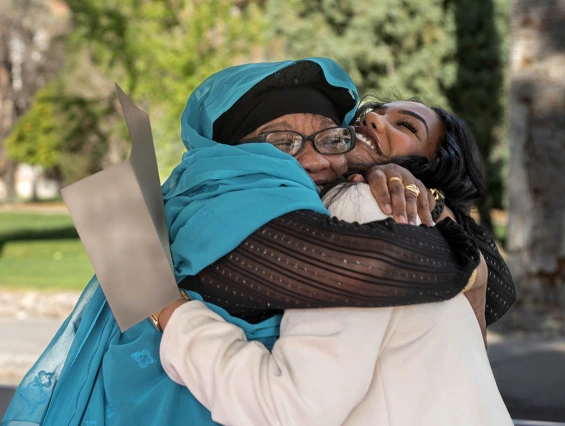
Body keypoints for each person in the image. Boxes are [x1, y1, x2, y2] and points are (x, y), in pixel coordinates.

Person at [1, 58, 513, 426]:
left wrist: (444, 219)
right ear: (231, 154)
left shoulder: (373, 206)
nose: (315, 158)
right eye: (281, 143)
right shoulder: (330, 214)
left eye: (329, 137)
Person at [154, 94, 514, 424]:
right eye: (372, 113)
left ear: (431, 171)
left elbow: (289, 407)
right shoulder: (413, 226)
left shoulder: (364, 206)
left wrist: (172, 314)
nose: (373, 120)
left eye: (406, 126)